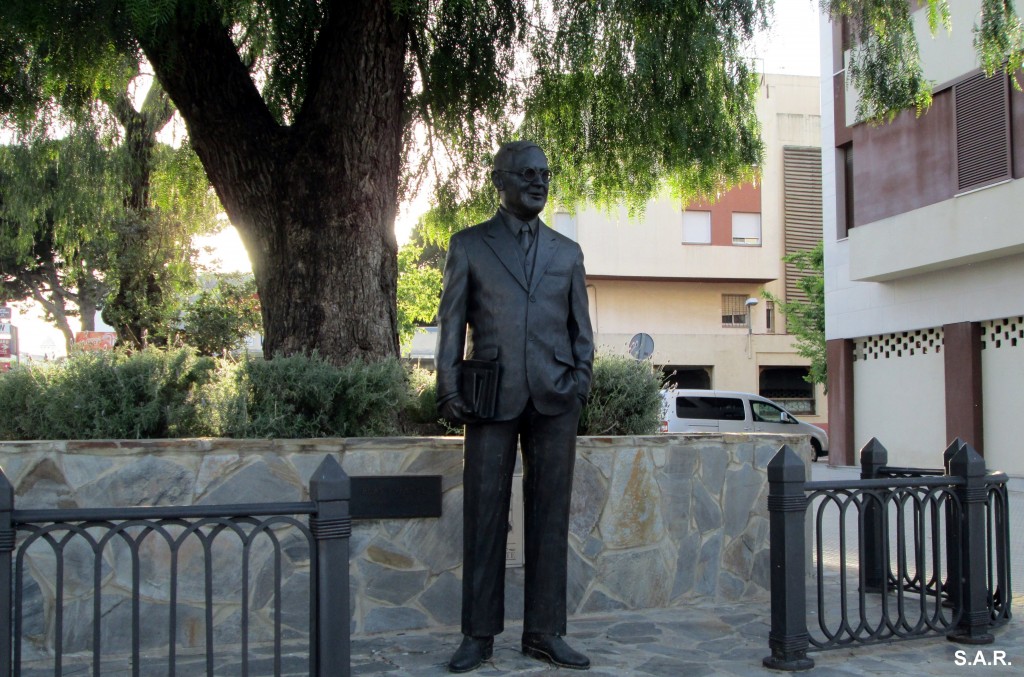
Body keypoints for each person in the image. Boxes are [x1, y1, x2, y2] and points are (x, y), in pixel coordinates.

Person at [435, 141, 594, 672]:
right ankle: (478, 636)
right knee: (484, 518)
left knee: (550, 520)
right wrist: (447, 387)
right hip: (489, 397)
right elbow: (452, 326)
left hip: (555, 398)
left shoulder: (567, 253)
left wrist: (579, 384)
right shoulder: (469, 246)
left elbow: (581, 331)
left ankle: (545, 632)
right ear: (499, 180)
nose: (540, 181)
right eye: (528, 173)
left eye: (546, 173)